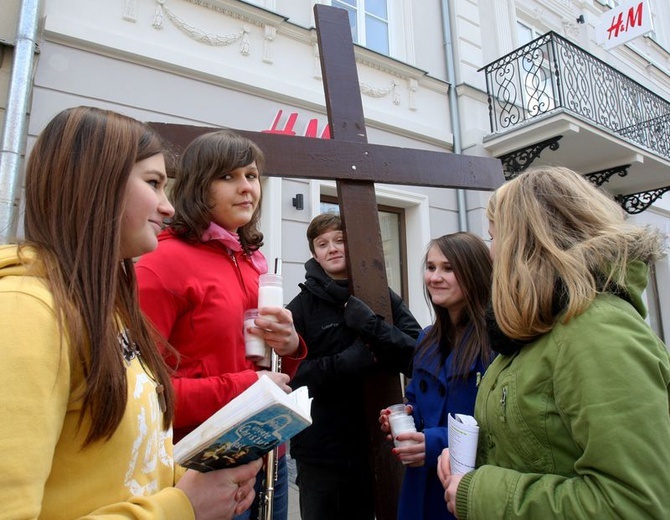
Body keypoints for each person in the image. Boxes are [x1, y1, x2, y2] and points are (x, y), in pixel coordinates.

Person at [0, 106, 261, 519]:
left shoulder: (105, 308)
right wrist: (182, 505)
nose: (168, 207)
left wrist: (185, 478)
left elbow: (121, 459)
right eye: (154, 184)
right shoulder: (24, 313)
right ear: (95, 185)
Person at [438, 166, 670, 519]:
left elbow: (635, 505)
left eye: (495, 237)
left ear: (527, 243)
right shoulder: (538, 328)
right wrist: (467, 464)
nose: (491, 253)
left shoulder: (598, 333)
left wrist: (479, 492)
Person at [135, 129, 306, 520]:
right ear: (198, 185)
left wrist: (292, 346)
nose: (246, 188)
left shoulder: (249, 260)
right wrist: (246, 388)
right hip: (198, 467)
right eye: (227, 177)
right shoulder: (162, 263)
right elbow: (144, 396)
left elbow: (260, 366)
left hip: (265, 457)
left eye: (251, 175)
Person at [286, 212, 422, 520]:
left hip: (376, 444)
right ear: (314, 254)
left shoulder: (381, 297)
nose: (332, 248)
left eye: (340, 240)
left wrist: (373, 326)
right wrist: (344, 363)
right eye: (323, 244)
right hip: (321, 452)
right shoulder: (300, 308)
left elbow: (419, 356)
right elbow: (289, 378)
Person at [378, 232, 494, 520]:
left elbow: (497, 427)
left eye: (449, 268)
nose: (435, 278)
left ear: (476, 273)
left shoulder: (496, 342)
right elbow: (417, 399)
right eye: (431, 267)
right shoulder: (428, 337)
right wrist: (404, 418)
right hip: (419, 490)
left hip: (466, 490)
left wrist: (432, 443)